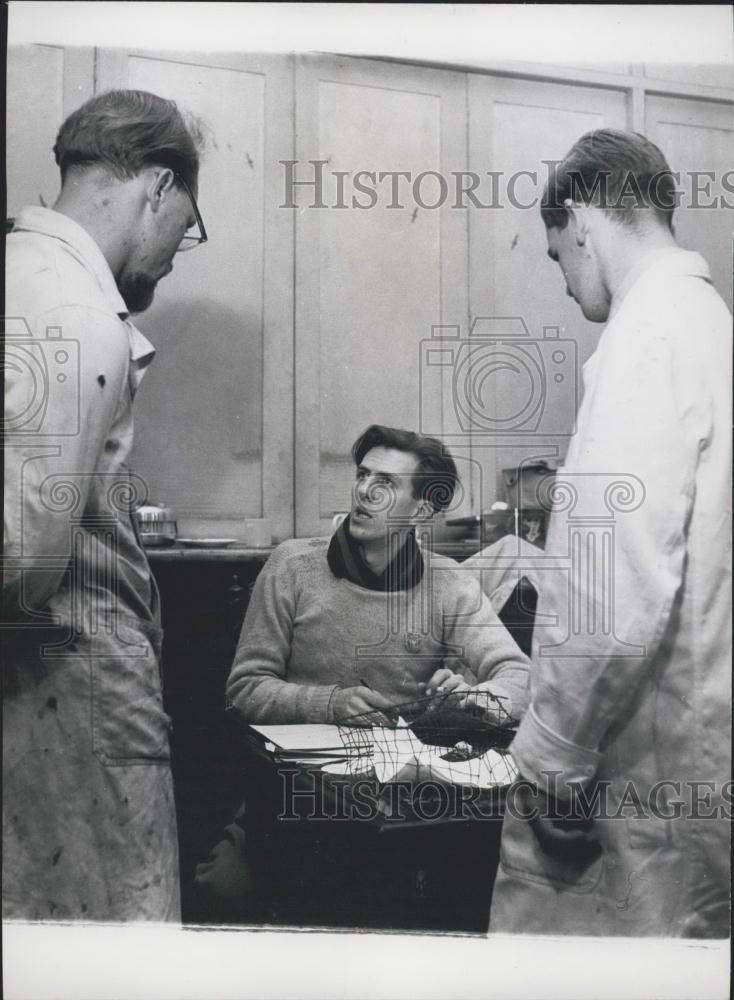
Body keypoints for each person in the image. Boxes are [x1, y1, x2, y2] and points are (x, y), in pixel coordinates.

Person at [489, 129, 731, 937]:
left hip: (637, 769)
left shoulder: (648, 338)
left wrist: (556, 753)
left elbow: (617, 579)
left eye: (558, 256)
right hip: (698, 755)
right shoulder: (710, 327)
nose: (564, 284)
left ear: (584, 223)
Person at [3, 90, 206, 921]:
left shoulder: (24, 277)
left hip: (52, 692)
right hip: (67, 685)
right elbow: (21, 557)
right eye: (186, 226)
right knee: (115, 937)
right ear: (158, 187)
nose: (173, 254)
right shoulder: (73, 311)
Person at [195, 424, 531, 920]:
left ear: (422, 509)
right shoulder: (292, 567)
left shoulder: (450, 584)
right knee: (240, 893)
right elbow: (245, 689)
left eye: (387, 483)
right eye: (362, 474)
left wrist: (475, 699)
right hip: (291, 802)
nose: (364, 491)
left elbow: (517, 675)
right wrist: (332, 702)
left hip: (402, 805)